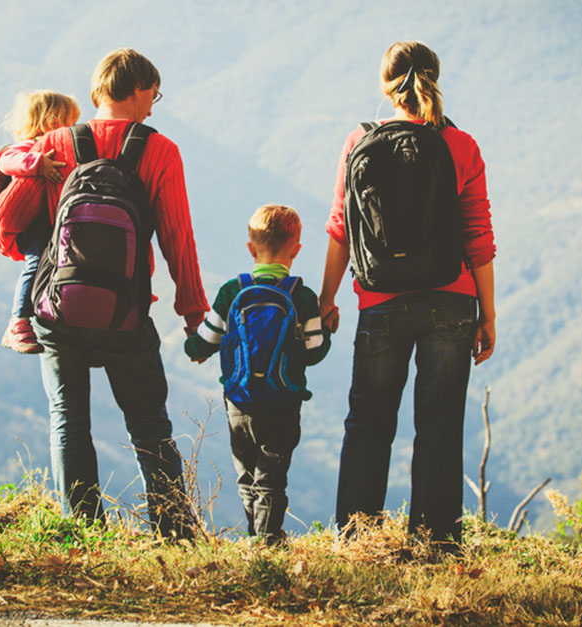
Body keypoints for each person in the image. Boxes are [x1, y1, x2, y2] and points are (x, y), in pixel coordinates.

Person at [18, 48, 209, 539]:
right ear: (140, 89)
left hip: (58, 312)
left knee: (68, 421)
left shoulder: (57, 143)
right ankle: (175, 531)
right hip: (125, 314)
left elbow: (11, 223)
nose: (154, 105)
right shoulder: (160, 150)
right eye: (154, 95)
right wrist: (192, 312)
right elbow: (177, 238)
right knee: (149, 425)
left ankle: (82, 533)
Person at [319, 40, 497, 548]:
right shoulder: (460, 144)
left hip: (380, 302)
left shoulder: (359, 141)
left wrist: (327, 299)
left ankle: (357, 540)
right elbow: (477, 234)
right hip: (452, 300)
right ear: (435, 79)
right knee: (439, 426)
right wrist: (488, 313)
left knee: (369, 424)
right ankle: (436, 543)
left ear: (385, 85)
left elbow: (340, 228)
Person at [184, 204, 331, 544]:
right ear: (296, 250)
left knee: (247, 475)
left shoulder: (231, 292)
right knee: (272, 477)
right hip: (284, 402)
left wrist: (192, 348)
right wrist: (328, 329)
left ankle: (257, 535)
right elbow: (314, 353)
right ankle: (267, 541)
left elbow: (203, 344)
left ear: (250, 248)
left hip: (239, 403)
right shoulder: (303, 297)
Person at [0, 90, 80, 354]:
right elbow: (5, 161)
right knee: (35, 264)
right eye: (69, 122)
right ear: (51, 121)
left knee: (51, 264)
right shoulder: (26, 146)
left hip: (52, 219)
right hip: (33, 222)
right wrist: (37, 163)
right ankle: (18, 321)